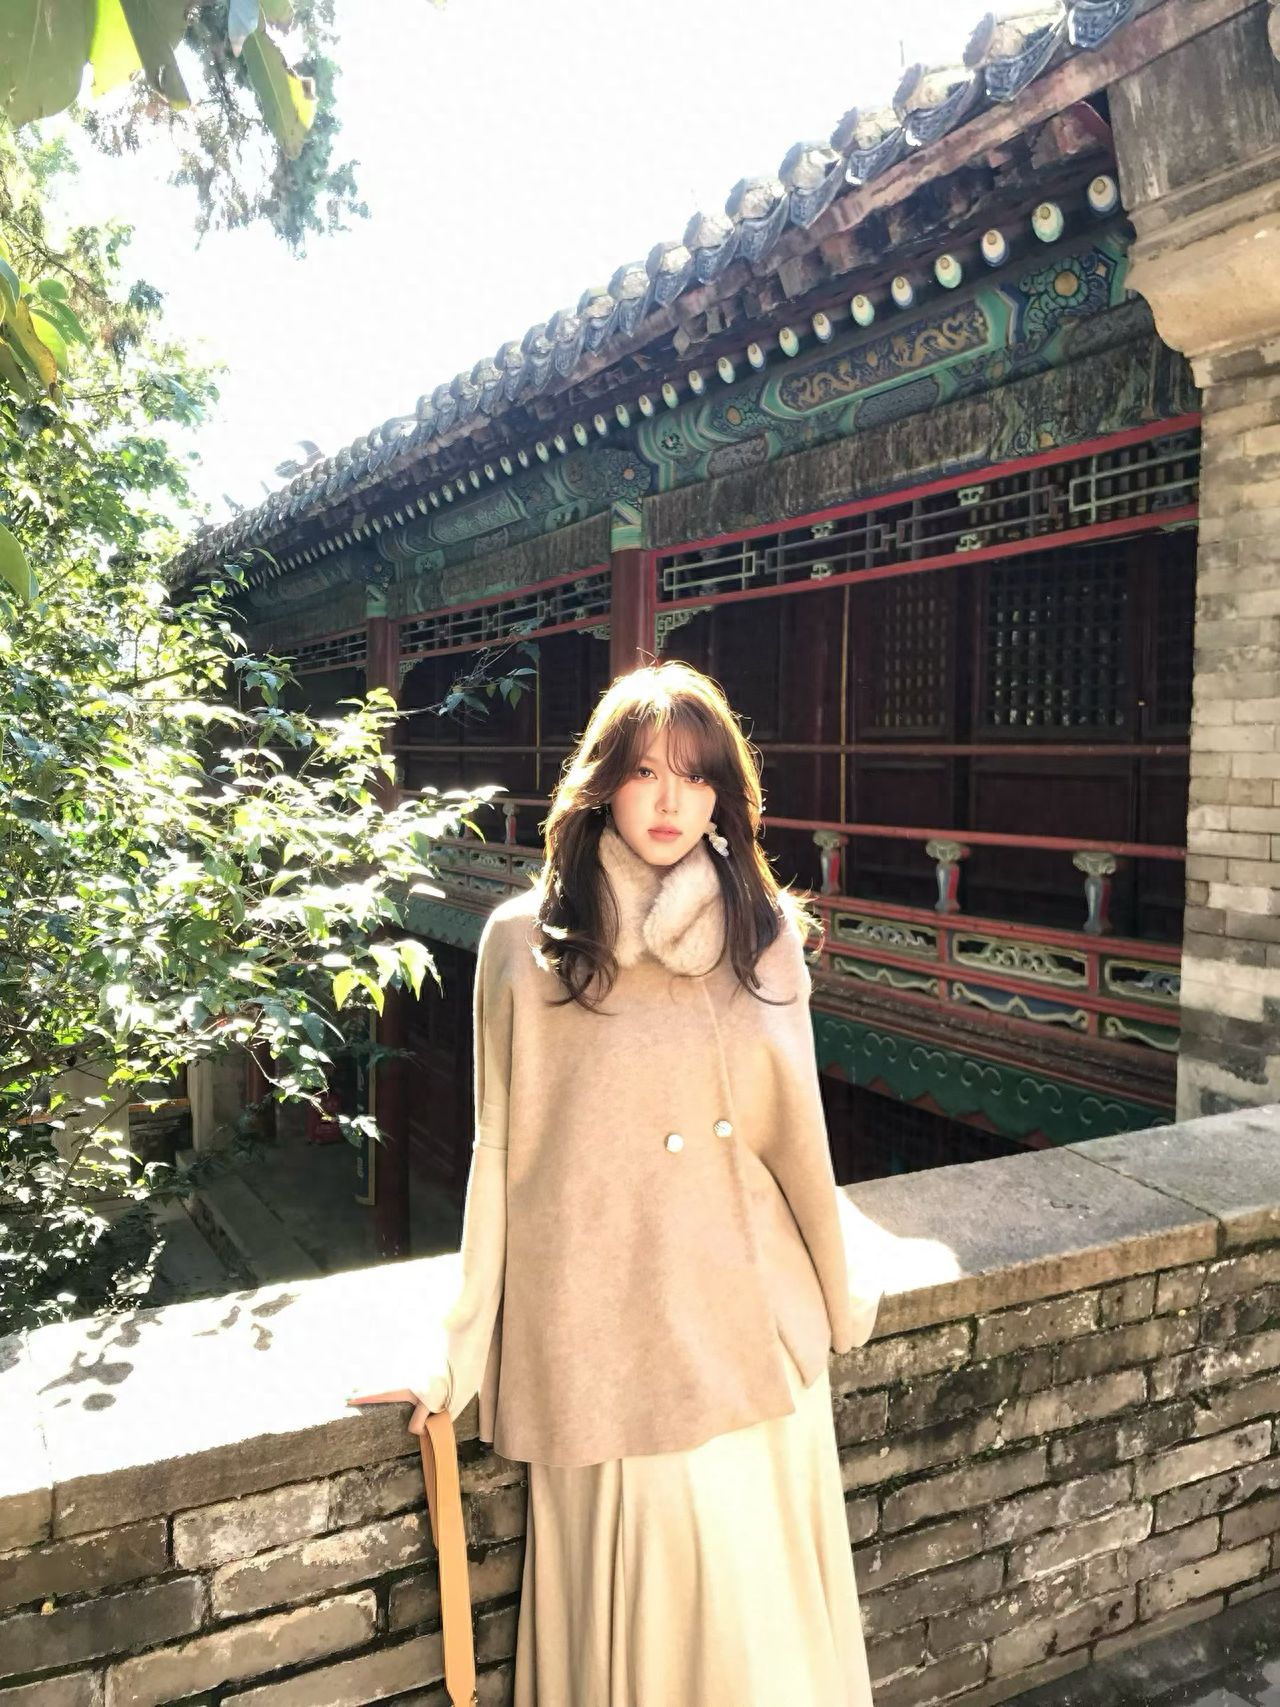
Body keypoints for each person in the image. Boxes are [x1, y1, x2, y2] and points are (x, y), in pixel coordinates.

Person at [352, 659, 883, 1706]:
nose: (670, 800)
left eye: (694, 776)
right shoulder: (523, 941)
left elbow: (797, 1143)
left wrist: (829, 1298)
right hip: (600, 1333)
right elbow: (500, 1151)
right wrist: (454, 1345)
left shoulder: (763, 937)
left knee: (753, 1647)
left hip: (744, 1336)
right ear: (602, 783)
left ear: (724, 796)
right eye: (645, 772)